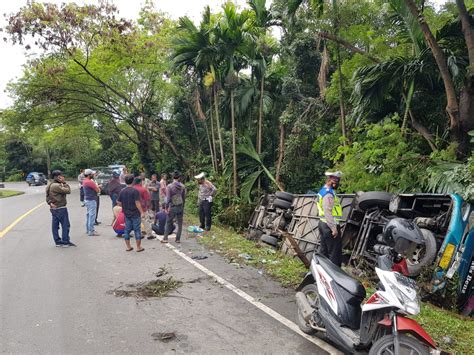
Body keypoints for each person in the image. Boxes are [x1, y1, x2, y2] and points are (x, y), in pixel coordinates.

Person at [317, 171, 343, 267]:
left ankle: (322, 272)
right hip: (329, 225)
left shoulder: (323, 191)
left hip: (323, 223)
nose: (337, 185)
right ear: (332, 181)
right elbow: (328, 211)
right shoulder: (329, 194)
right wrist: (333, 228)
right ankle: (335, 276)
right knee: (334, 254)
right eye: (337, 182)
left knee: (324, 252)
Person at [46, 170, 76, 247]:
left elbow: (47, 197)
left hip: (53, 209)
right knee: (65, 225)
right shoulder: (56, 186)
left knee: (55, 226)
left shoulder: (49, 185)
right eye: (61, 176)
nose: (62, 177)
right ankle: (65, 241)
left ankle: (57, 241)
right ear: (58, 177)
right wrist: (64, 182)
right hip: (60, 208)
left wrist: (50, 203)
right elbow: (68, 191)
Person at [117, 174, 145, 252]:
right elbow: (137, 203)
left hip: (126, 213)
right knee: (137, 230)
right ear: (133, 181)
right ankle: (138, 247)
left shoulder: (122, 191)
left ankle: (128, 246)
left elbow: (118, 202)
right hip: (135, 213)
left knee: (127, 230)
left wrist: (124, 206)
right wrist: (142, 212)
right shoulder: (135, 191)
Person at [162, 170, 186, 244]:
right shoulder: (183, 186)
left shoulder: (169, 186)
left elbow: (168, 198)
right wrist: (183, 207)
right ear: (179, 178)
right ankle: (178, 239)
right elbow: (183, 198)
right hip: (180, 206)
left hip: (172, 207)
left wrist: (166, 207)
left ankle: (165, 238)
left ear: (172, 177)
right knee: (180, 223)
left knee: (168, 222)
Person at [83, 169, 100, 236]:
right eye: (92, 174)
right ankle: (91, 231)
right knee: (92, 216)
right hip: (92, 200)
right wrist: (98, 186)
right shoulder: (90, 182)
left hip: (87, 199)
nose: (93, 175)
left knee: (88, 215)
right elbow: (97, 190)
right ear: (89, 175)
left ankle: (88, 229)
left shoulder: (85, 181)